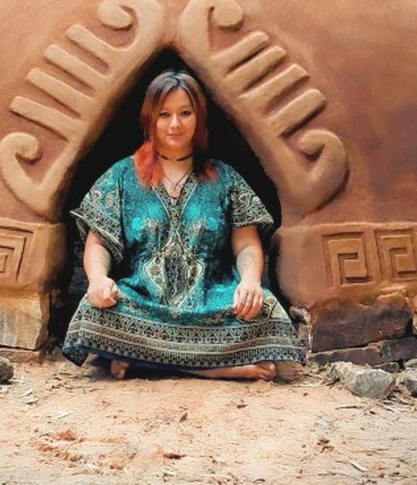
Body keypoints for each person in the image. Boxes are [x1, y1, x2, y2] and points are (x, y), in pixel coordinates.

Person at [62, 70, 306, 381]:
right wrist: (97, 280)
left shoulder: (225, 177)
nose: (175, 124)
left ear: (199, 117)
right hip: (143, 301)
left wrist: (250, 282)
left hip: (212, 301)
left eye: (185, 113)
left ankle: (141, 361)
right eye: (164, 114)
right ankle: (216, 368)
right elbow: (98, 243)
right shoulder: (123, 175)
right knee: (93, 310)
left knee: (266, 308)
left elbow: (245, 243)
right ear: (150, 118)